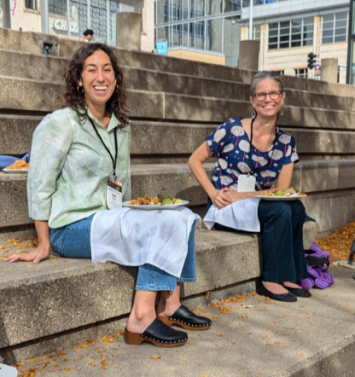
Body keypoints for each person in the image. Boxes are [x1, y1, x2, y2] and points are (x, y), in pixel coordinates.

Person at [5, 43, 209, 347]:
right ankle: (141, 317)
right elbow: (39, 183)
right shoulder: (61, 122)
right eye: (91, 70)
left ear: (116, 79)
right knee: (161, 224)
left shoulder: (120, 127)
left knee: (180, 214)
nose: (100, 77)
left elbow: (122, 183)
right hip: (71, 227)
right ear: (78, 79)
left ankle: (169, 301)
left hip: (109, 217)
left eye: (107, 70)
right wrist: (44, 242)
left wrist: (136, 214)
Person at [188, 71, 308, 302]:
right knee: (281, 210)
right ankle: (270, 279)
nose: (267, 99)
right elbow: (194, 160)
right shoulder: (232, 129)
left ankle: (290, 275)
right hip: (225, 203)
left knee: (296, 209)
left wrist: (244, 195)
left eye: (273, 93)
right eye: (261, 94)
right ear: (252, 100)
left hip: (250, 200)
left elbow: (281, 191)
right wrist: (213, 193)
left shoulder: (286, 142)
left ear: (282, 97)